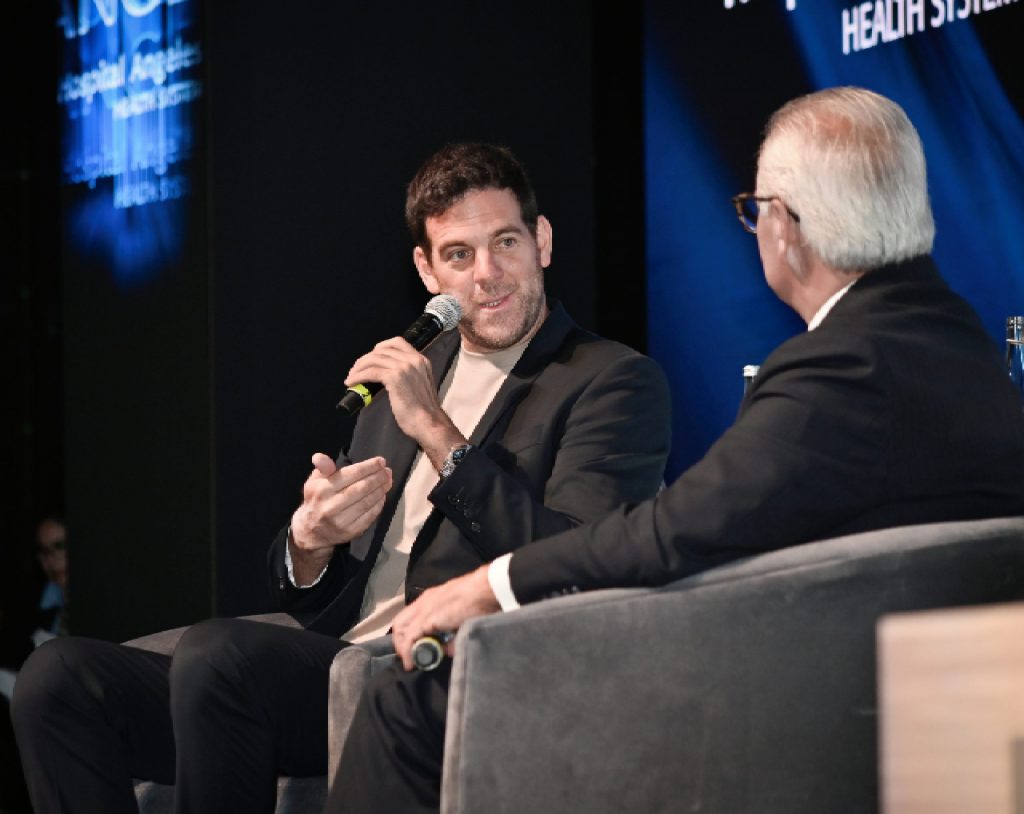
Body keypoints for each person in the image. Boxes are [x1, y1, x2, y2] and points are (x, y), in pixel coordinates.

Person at [328, 87, 1024, 814]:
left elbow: (675, 530)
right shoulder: (959, 342)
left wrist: (487, 585)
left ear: (785, 226)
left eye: (754, 210)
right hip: (924, 696)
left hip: (799, 700)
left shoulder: (839, 366)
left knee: (403, 705)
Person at [11, 143, 672, 813]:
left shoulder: (609, 381)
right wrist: (309, 544)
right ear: (427, 269)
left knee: (220, 655)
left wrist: (441, 437)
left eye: (506, 242)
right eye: (459, 255)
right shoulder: (404, 377)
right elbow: (309, 590)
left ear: (543, 241)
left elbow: (577, 565)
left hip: (449, 665)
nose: (488, 274)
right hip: (337, 661)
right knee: (57, 679)